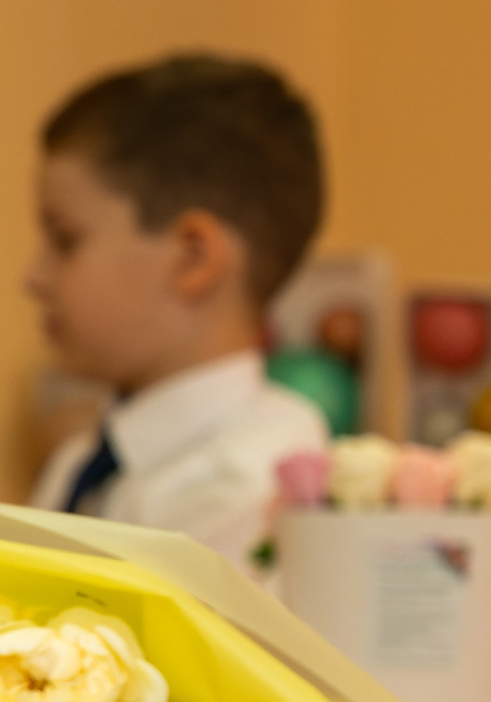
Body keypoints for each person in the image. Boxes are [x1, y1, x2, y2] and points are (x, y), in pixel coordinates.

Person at [24, 54, 330, 577]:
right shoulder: (84, 460)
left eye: (65, 240)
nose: (33, 277)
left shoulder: (252, 489)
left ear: (193, 257)